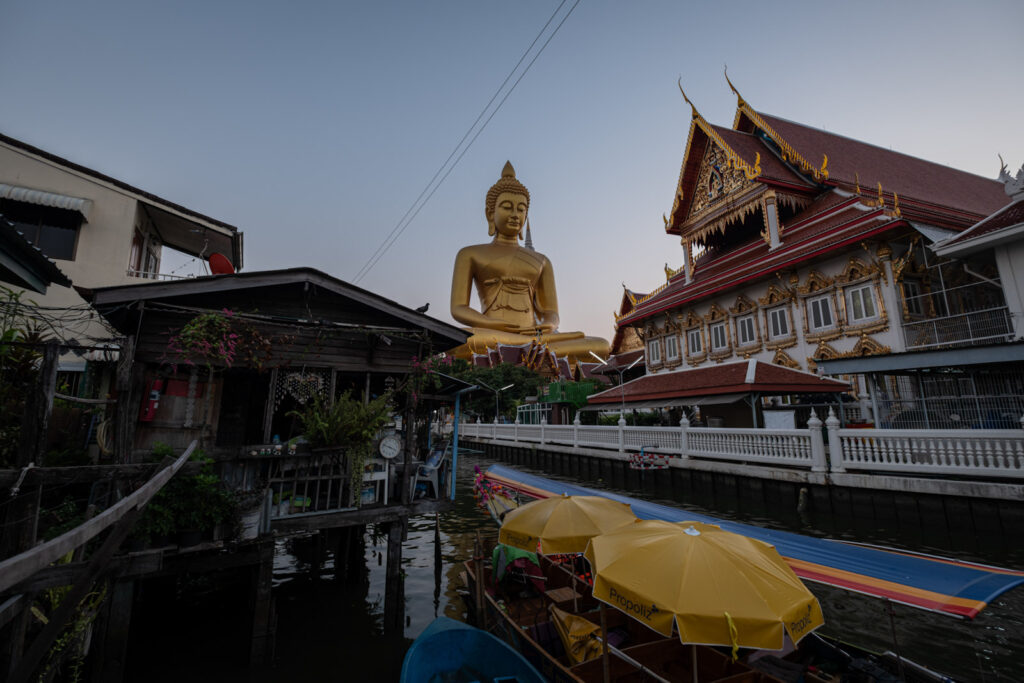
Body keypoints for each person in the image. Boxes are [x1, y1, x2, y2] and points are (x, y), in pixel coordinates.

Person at [448, 162, 609, 362]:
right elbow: (458, 308)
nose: (515, 215)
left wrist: (548, 325)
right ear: (490, 213)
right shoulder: (470, 254)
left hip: (536, 335)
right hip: (492, 333)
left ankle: (525, 348)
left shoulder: (542, 261)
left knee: (601, 345)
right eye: (507, 207)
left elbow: (551, 312)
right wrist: (492, 324)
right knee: (459, 342)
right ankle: (529, 349)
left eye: (521, 209)